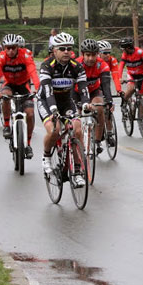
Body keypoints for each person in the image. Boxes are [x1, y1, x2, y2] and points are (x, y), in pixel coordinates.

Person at [37, 32, 90, 185]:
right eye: (62, 48)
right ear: (54, 51)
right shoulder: (47, 66)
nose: (66, 51)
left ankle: (78, 170)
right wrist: (53, 109)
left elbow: (83, 88)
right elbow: (47, 91)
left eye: (69, 48)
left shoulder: (76, 67)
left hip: (66, 101)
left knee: (77, 129)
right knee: (55, 129)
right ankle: (46, 157)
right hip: (47, 101)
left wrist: (86, 103)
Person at [0, 34, 40, 159]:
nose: (11, 51)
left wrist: (37, 87)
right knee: (6, 97)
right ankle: (7, 125)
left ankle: (28, 144)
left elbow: (33, 72)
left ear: (17, 47)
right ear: (4, 48)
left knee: (29, 113)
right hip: (9, 84)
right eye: (8, 48)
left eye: (13, 48)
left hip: (24, 84)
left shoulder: (25, 55)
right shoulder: (1, 57)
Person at [76, 39, 114, 154]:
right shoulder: (76, 64)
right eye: (88, 55)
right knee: (76, 116)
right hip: (77, 92)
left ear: (98, 54)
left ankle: (97, 141)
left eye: (93, 55)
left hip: (94, 91)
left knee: (100, 108)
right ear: (83, 54)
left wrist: (109, 101)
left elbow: (106, 85)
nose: (91, 58)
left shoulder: (102, 64)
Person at [118, 37, 143, 109]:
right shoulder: (125, 54)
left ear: (128, 48)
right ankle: (124, 104)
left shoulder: (140, 53)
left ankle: (140, 119)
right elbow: (121, 66)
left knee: (141, 96)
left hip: (141, 75)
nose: (122, 50)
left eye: (123, 48)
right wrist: (119, 77)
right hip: (131, 75)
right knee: (131, 89)